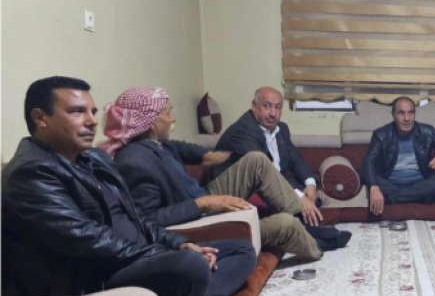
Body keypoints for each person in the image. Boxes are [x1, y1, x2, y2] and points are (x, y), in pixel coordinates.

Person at [1, 76, 256, 296]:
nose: (92, 121)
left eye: (92, 112)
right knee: (191, 265)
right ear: (40, 118)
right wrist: (169, 253)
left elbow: (138, 217)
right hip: (96, 277)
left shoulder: (93, 158)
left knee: (240, 249)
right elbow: (88, 241)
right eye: (77, 111)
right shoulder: (31, 173)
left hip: (136, 256)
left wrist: (179, 243)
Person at [106, 88, 350, 258]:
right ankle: (312, 243)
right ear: (149, 121)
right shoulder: (136, 161)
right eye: (168, 113)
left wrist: (215, 155)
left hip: (201, 197)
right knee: (285, 223)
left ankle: (305, 224)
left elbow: (186, 149)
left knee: (256, 160)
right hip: (194, 219)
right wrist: (202, 204)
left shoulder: (158, 144)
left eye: (277, 107)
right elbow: (146, 221)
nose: (174, 118)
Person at [211, 86, 322, 227]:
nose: (273, 113)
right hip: (236, 192)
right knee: (300, 203)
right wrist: (299, 196)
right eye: (267, 106)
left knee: (308, 193)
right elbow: (266, 173)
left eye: (278, 107)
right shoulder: (244, 130)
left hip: (271, 184)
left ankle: (304, 220)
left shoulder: (282, 128)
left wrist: (310, 184)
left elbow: (296, 160)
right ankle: (306, 225)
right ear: (254, 106)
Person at [362, 97, 435, 215]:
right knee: (369, 179)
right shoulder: (381, 135)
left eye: (411, 112)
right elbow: (368, 162)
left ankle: (393, 199)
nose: (407, 118)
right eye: (401, 113)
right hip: (390, 183)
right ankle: (419, 198)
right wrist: (374, 187)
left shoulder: (427, 132)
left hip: (420, 184)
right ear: (393, 115)